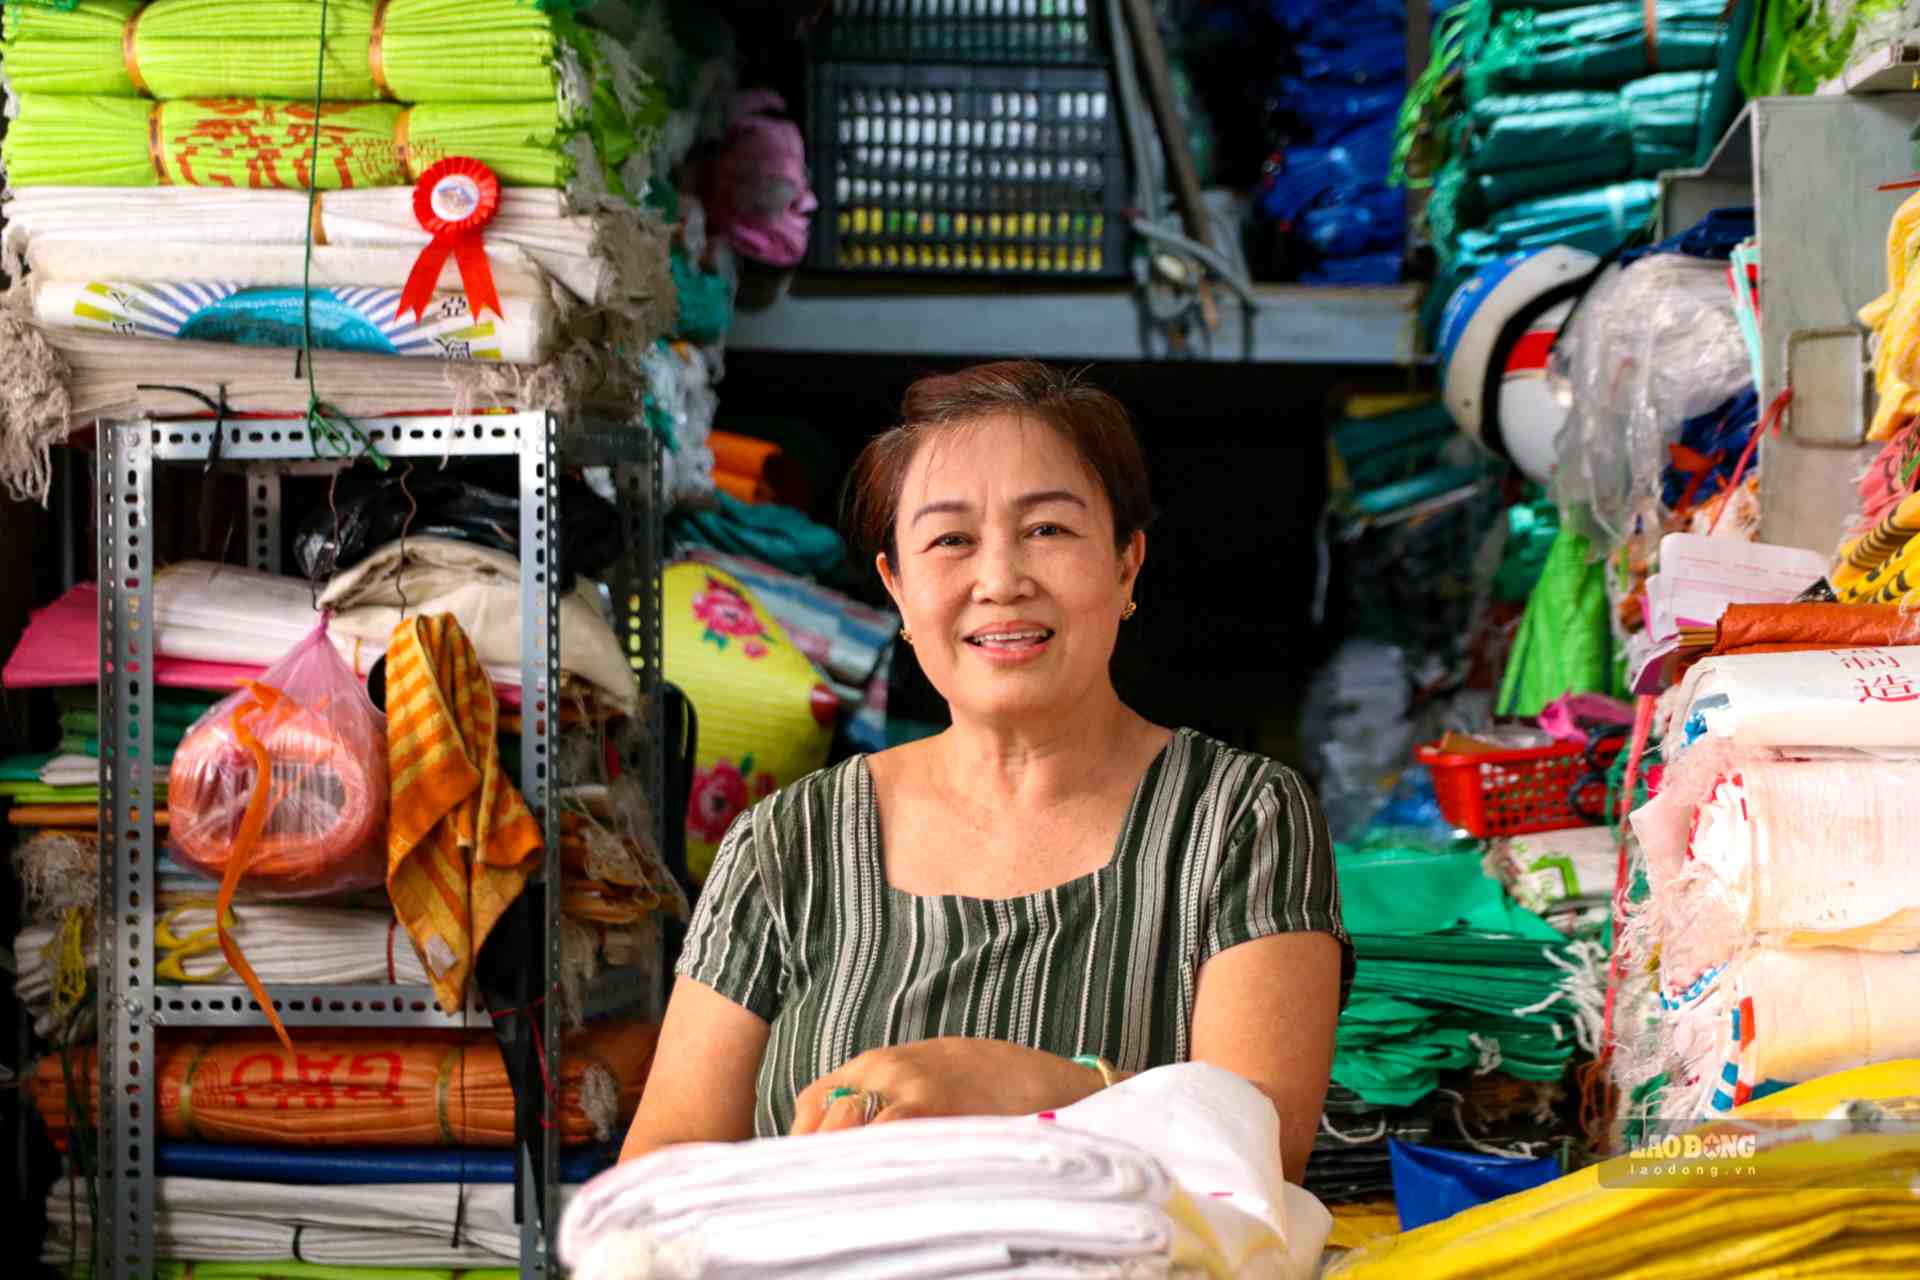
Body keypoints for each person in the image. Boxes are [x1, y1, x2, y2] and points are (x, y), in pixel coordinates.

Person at [621, 360, 1351, 1182]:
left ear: (1124, 565)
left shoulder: (1240, 818)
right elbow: (666, 1164)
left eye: (1048, 530)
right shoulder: (786, 843)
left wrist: (1040, 1088)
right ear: (896, 585)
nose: (1001, 581)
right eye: (951, 540)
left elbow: (1259, 1158)